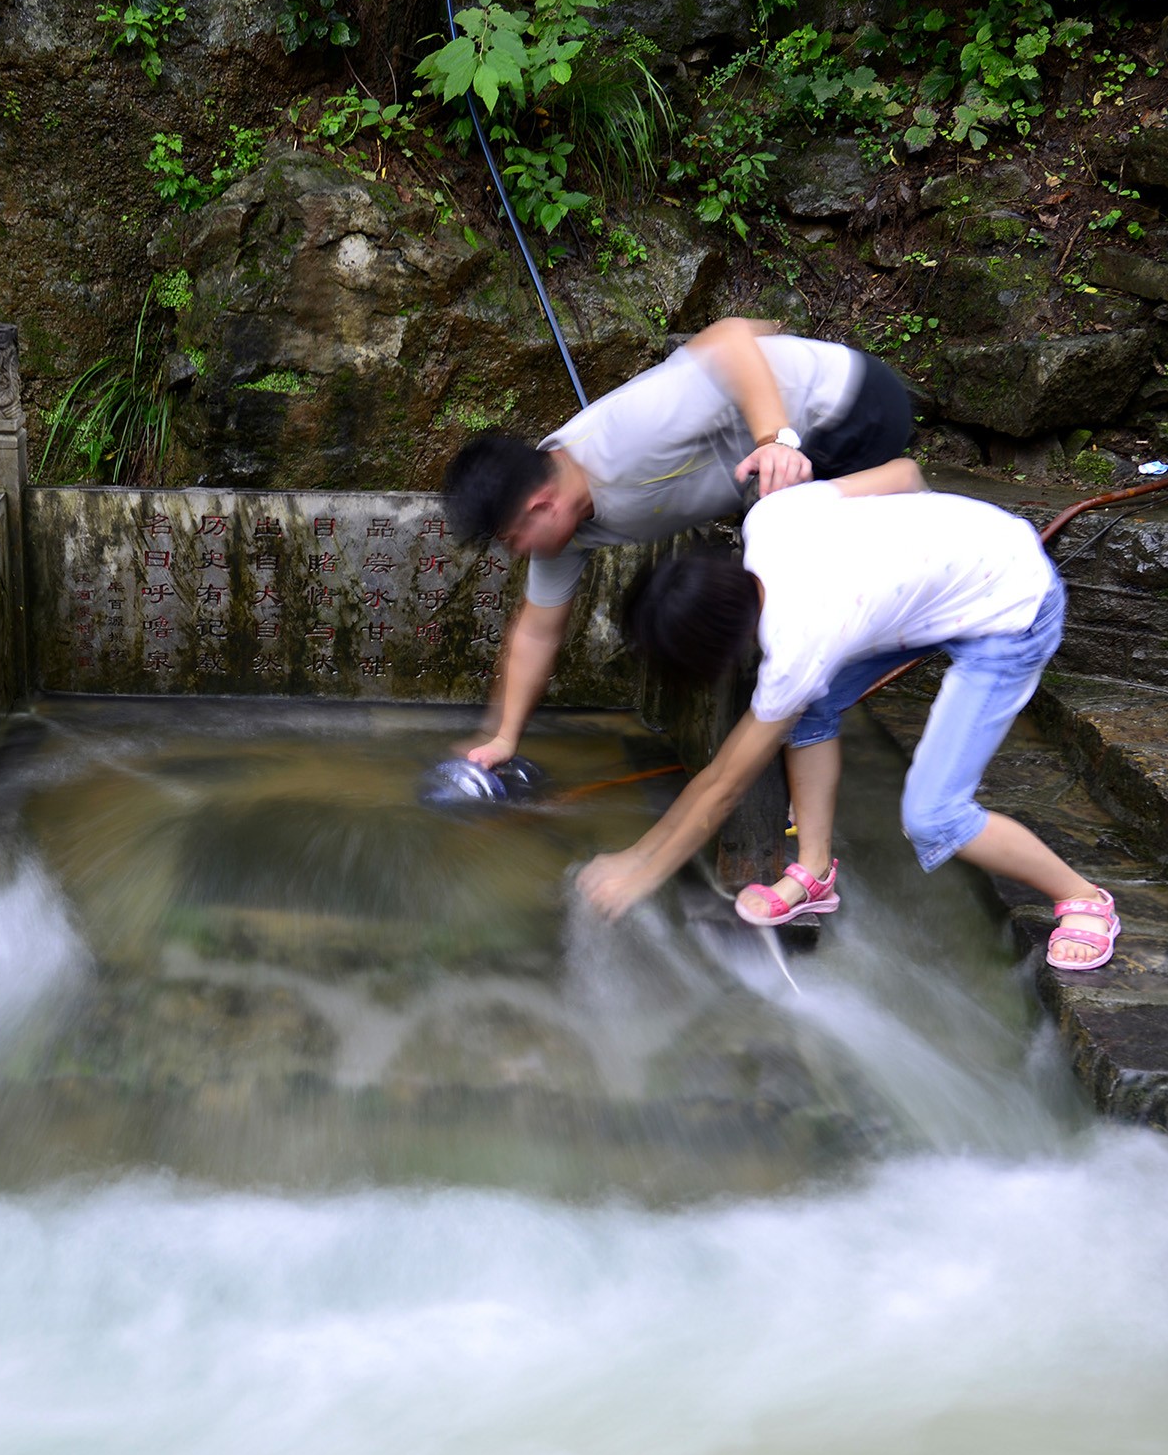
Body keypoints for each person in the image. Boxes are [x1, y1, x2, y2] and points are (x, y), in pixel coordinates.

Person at [441, 319, 911, 921]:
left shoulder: (628, 434)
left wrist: (776, 440)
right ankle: (806, 780)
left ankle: (808, 825)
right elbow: (536, 629)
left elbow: (731, 338)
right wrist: (504, 737)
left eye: (513, 540)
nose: (518, 554)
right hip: (789, 466)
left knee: (806, 649)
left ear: (541, 505)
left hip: (846, 413)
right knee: (799, 670)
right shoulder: (563, 528)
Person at [573, 461, 1121, 974]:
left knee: (934, 817)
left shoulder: (799, 643)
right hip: (984, 550)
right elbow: (905, 473)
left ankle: (1082, 897)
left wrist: (641, 871)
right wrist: (916, 569)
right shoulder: (771, 518)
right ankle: (814, 872)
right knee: (809, 706)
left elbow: (723, 785)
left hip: (1016, 609)